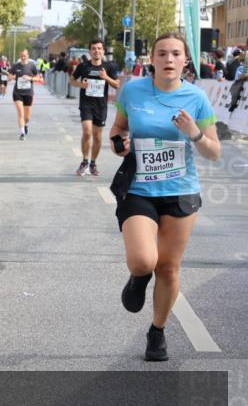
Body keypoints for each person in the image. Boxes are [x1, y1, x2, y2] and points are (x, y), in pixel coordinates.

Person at [110, 33, 221, 361]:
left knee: (169, 268)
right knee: (145, 260)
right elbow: (117, 131)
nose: (169, 59)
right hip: (139, 189)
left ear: (186, 60)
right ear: (152, 59)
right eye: (162, 53)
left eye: (176, 54)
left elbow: (214, 152)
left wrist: (195, 134)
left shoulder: (197, 98)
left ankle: (157, 331)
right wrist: (120, 144)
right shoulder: (132, 90)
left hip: (181, 192)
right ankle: (138, 277)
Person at [70, 40, 120, 176]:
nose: (96, 51)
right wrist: (82, 85)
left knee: (97, 136)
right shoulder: (83, 66)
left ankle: (93, 163)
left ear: (103, 51)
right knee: (87, 132)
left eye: (99, 48)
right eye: (93, 48)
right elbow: (72, 80)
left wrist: (106, 77)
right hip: (86, 104)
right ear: (90, 51)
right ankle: (84, 161)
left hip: (101, 106)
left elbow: (117, 85)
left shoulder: (109, 66)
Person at [10, 49, 38, 140]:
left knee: (27, 117)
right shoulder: (15, 66)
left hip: (28, 93)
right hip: (17, 93)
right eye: (21, 56)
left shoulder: (31, 66)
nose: (23, 57)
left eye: (24, 56)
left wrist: (30, 78)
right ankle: (22, 133)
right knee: (20, 114)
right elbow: (10, 76)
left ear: (28, 56)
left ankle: (25, 125)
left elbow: (38, 78)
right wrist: (10, 77)